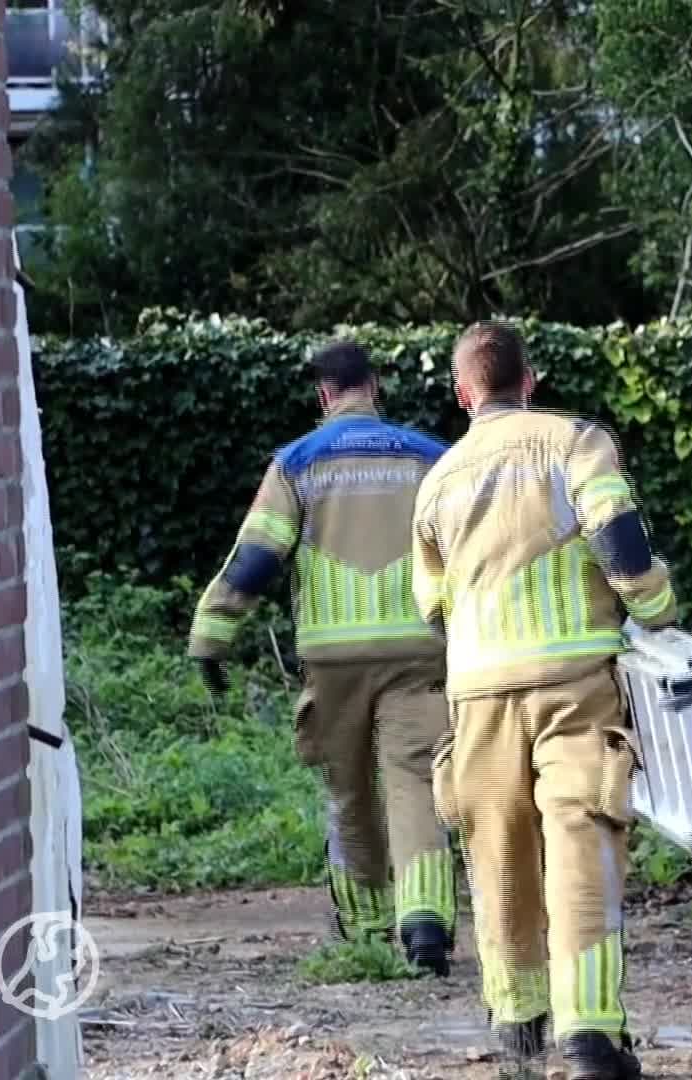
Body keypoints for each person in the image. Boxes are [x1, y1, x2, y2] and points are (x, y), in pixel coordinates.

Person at [413, 321, 676, 1080]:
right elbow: (620, 544)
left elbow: (432, 606)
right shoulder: (577, 442)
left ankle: (518, 1028)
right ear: (529, 379)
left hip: (479, 693)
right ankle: (590, 1036)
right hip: (575, 684)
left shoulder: (439, 479)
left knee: (498, 856)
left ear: (464, 393)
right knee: (581, 840)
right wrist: (655, 607)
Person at [187, 341, 459, 975]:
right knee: (416, 781)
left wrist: (212, 636)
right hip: (418, 649)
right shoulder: (430, 457)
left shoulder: (298, 463)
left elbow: (256, 558)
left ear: (323, 395)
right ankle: (425, 926)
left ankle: (366, 929)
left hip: (333, 659)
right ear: (376, 386)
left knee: (349, 789)